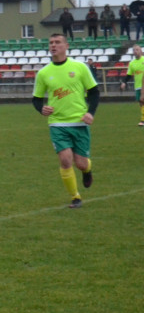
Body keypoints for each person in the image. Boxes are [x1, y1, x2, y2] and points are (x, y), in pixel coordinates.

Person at [32, 33, 98, 208]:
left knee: (81, 164)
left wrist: (90, 112)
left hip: (79, 122)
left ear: (66, 46)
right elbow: (36, 99)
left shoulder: (80, 67)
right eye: (51, 42)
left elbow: (94, 92)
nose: (53, 45)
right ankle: (75, 197)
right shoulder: (44, 73)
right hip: (57, 124)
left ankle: (87, 170)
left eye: (57, 42)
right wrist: (41, 108)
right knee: (65, 160)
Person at [119, 44, 144, 127]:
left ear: (140, 51)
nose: (135, 51)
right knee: (141, 102)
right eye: (134, 50)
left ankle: (143, 120)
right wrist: (124, 83)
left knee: (142, 100)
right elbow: (129, 75)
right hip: (138, 85)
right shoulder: (132, 63)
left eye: (137, 50)